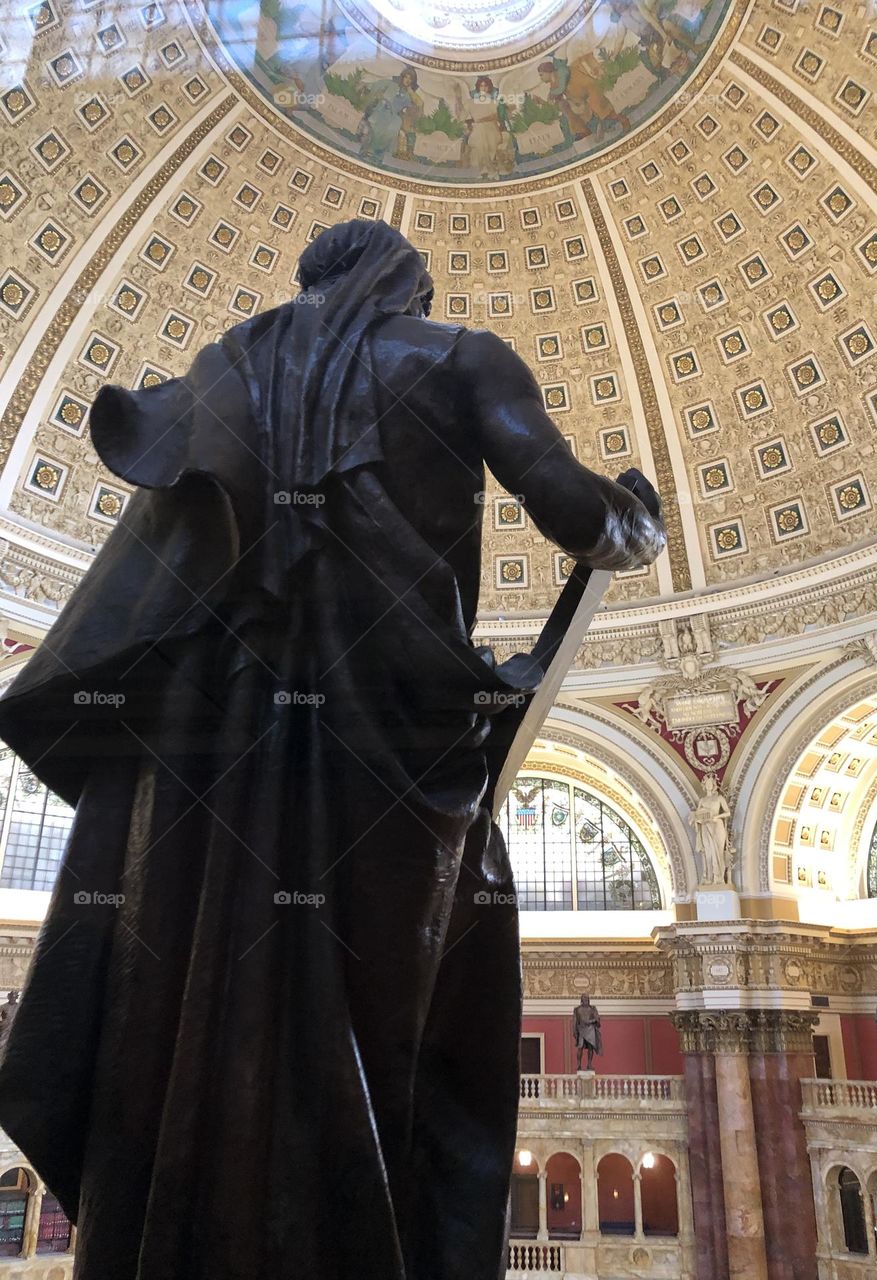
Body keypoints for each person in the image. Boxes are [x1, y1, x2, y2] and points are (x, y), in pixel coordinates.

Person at [0, 219, 665, 1280]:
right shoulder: (460, 355)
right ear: (406, 280)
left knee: (184, 1002)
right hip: (391, 752)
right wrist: (641, 524)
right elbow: (577, 511)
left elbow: (157, 575)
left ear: (314, 277)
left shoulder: (229, 367)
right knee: (411, 1021)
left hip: (206, 766)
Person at [689, 774, 731, 885]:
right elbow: (697, 814)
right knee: (708, 853)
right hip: (705, 827)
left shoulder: (719, 798)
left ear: (714, 785)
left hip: (717, 826)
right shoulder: (702, 800)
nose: (708, 785)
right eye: (706, 784)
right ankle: (709, 877)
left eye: (710, 783)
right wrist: (697, 820)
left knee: (718, 852)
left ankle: (719, 878)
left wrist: (717, 817)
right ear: (704, 785)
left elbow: (728, 812)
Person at [573, 994, 603, 1070]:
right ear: (581, 1000)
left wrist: (590, 1021)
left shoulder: (593, 1009)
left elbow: (597, 1020)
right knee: (580, 1047)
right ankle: (578, 1064)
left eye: (587, 998)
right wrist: (574, 1031)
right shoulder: (577, 1009)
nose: (586, 1000)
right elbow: (575, 1021)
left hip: (590, 1029)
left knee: (590, 1047)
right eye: (584, 998)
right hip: (581, 1029)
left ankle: (589, 1064)